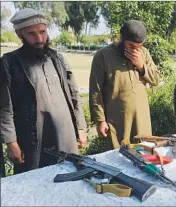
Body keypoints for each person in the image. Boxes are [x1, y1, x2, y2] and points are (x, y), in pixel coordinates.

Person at [0, 8, 87, 174]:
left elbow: (74, 95)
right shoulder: (8, 63)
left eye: (42, 32)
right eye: (32, 34)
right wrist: (11, 141)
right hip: (32, 139)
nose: (39, 39)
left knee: (69, 176)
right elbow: (5, 106)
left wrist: (81, 128)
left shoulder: (58, 58)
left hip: (65, 135)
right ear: (20, 34)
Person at [89, 20, 160, 149]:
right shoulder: (103, 56)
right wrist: (100, 120)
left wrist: (140, 65)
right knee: (119, 161)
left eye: (139, 46)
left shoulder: (143, 53)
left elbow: (155, 79)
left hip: (141, 121)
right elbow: (95, 91)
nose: (135, 50)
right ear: (121, 38)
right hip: (117, 123)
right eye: (131, 46)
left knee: (143, 157)